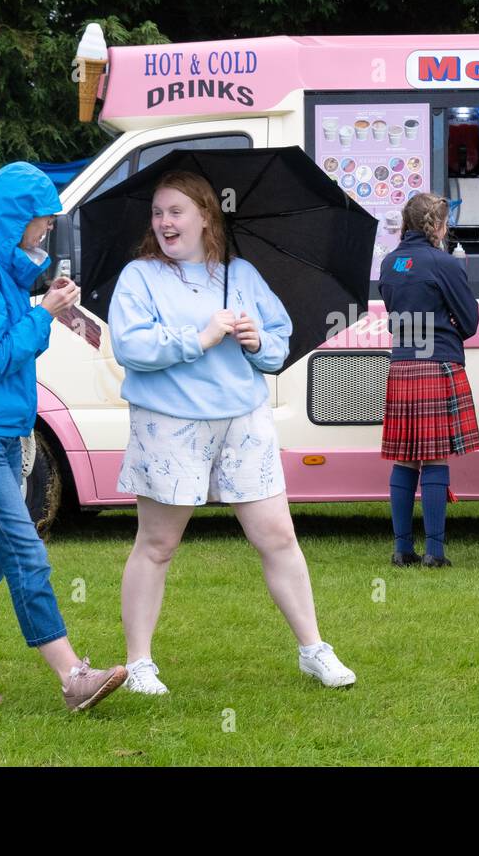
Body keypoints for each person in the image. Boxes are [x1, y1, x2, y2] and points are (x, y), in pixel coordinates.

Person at [110, 171, 355, 692]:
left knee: (279, 538)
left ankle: (314, 649)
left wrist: (253, 338)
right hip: (170, 423)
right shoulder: (140, 277)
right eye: (158, 213)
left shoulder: (239, 273)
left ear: (205, 215)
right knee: (157, 544)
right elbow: (130, 346)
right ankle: (138, 664)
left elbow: (278, 342)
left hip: (243, 422)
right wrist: (197, 338)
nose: (164, 222)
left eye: (176, 212)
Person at [0, 162, 127, 711]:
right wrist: (44, 314)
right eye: (39, 223)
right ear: (14, 220)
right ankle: (73, 676)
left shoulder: (0, 274)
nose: (44, 234)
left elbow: (5, 341)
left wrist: (44, 302)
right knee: (25, 552)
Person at [377, 193, 479, 568]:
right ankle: (434, 553)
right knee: (435, 459)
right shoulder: (444, 263)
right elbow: (469, 322)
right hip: (437, 363)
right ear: (436, 226)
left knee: (404, 459)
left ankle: (402, 549)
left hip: (403, 364)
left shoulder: (390, 264)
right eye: (444, 224)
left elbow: (393, 308)